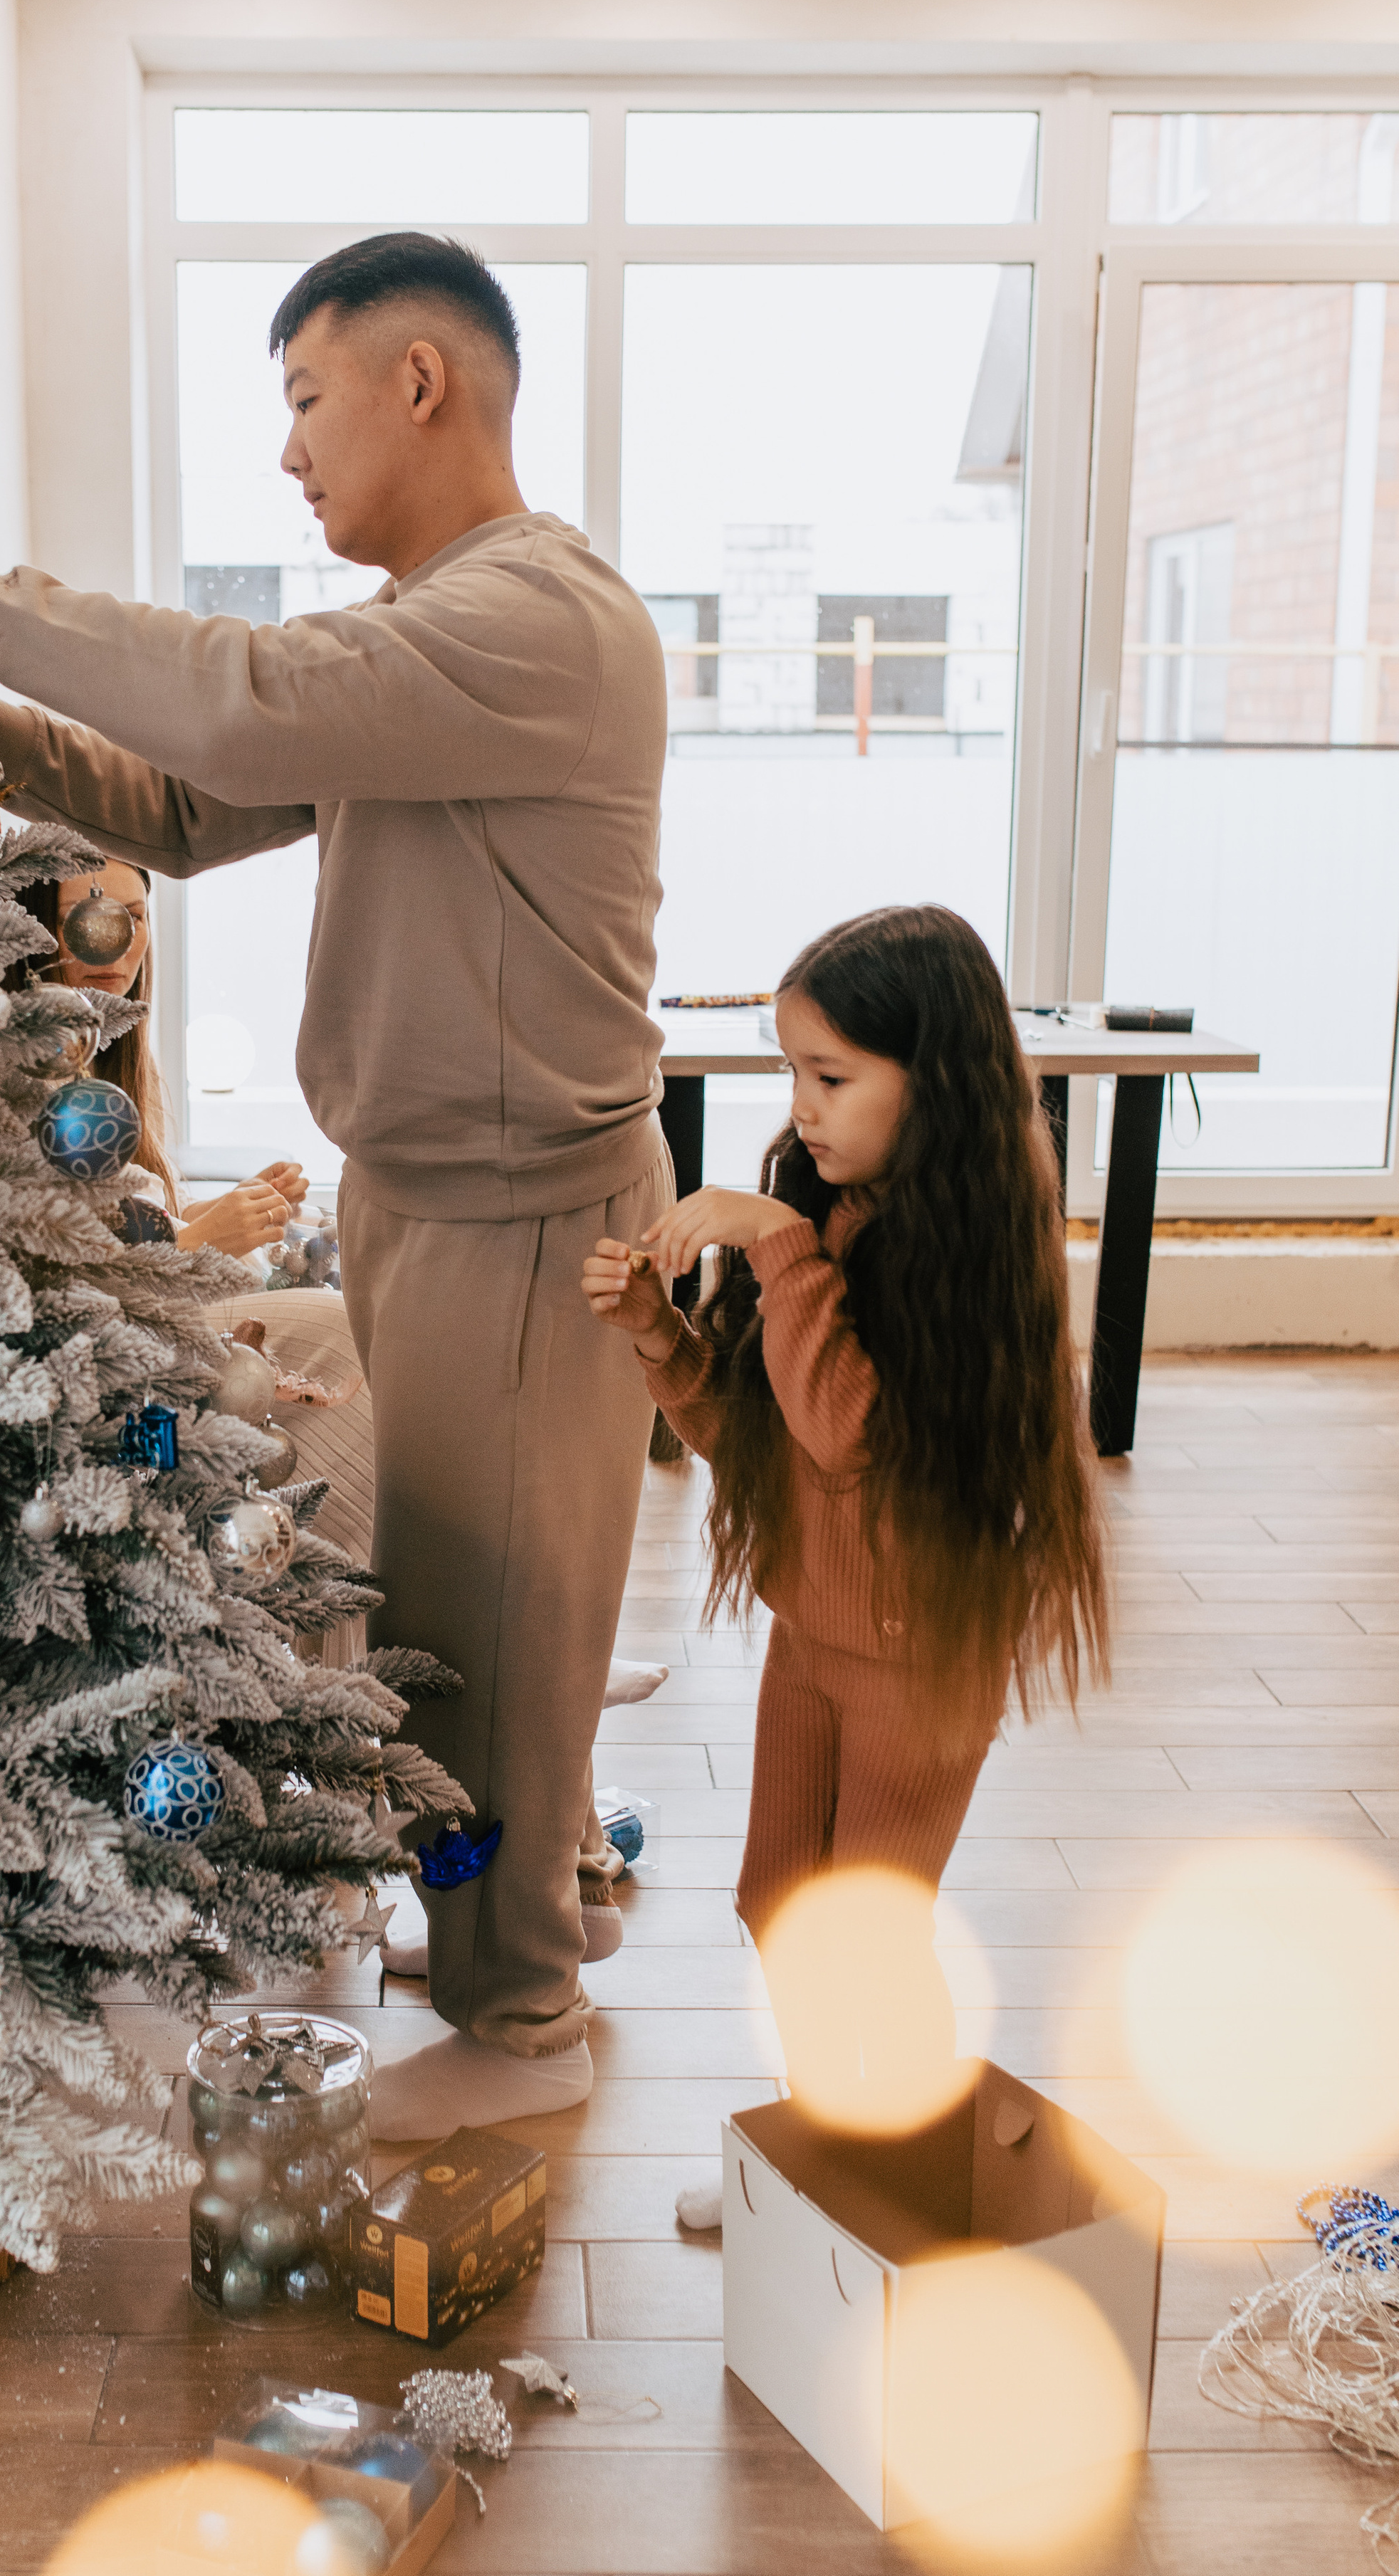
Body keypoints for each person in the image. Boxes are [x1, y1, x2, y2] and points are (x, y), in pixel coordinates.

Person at [0, 231, 671, 2138]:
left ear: (420, 382)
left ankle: (519, 2023)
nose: (290, 451)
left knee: (501, 1660)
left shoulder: (529, 617)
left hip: (528, 1223)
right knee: (447, 1627)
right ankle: (501, 1949)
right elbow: (194, 804)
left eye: (304, 397)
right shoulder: (442, 638)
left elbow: (249, 702)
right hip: (434, 1197)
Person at [580, 905, 1110, 2227]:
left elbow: (854, 1434)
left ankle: (902, 2172)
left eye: (832, 1078)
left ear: (937, 1082)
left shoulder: (970, 1253)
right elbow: (763, 1445)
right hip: (814, 1636)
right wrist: (661, 1336)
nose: (802, 1110)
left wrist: (778, 1240)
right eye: (792, 1074)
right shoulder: (823, 1216)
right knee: (780, 1905)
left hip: (922, 1658)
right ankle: (827, 2151)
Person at [24, 854, 306, 1261]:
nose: (112, 941)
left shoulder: (130, 1067)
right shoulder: (12, 1075)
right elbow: (54, 1265)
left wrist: (244, 1205)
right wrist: (198, 1240)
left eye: (132, 919)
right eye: (84, 917)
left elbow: (163, 1217)